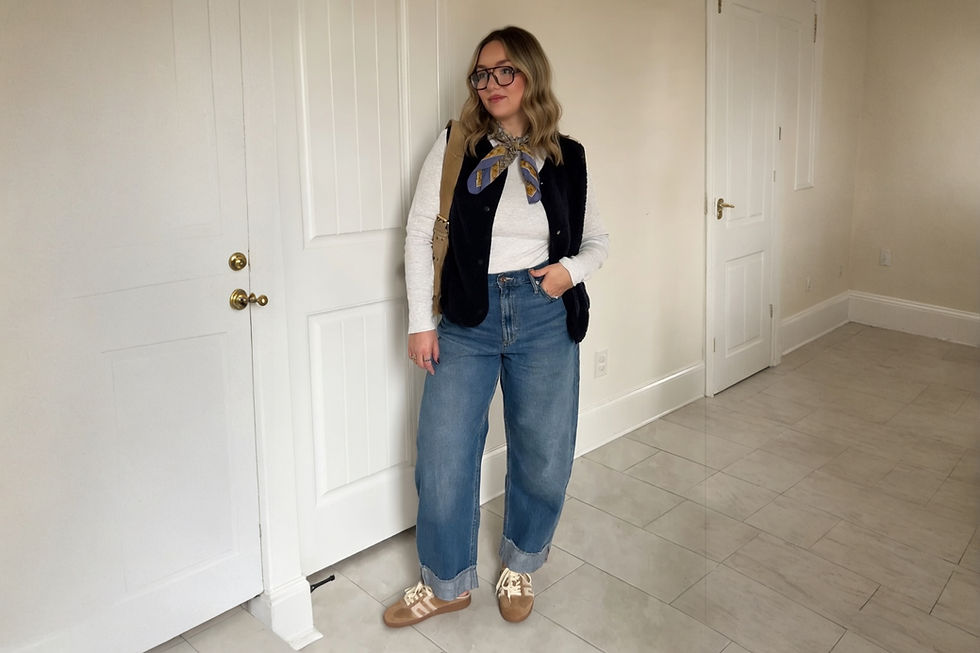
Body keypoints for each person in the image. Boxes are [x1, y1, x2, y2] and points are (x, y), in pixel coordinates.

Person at [384, 26, 608, 628]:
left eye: (503, 70)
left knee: (542, 450)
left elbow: (597, 240)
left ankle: (521, 563)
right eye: (481, 74)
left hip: (543, 312)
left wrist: (568, 271)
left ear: (531, 73)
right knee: (444, 452)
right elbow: (417, 232)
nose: (490, 84)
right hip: (465, 315)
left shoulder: (569, 156)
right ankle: (447, 582)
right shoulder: (457, 144)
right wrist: (420, 321)